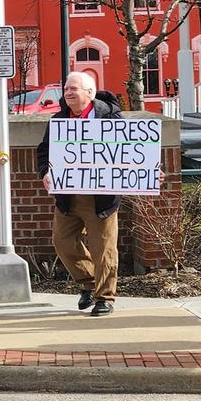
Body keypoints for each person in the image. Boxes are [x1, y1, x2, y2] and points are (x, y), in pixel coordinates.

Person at [36, 71, 122, 316]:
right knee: (62, 241)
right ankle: (88, 282)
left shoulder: (111, 118)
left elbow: (130, 150)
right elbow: (44, 151)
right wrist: (45, 172)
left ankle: (105, 297)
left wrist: (147, 172)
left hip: (101, 197)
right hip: (68, 196)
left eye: (73, 88)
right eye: (66, 89)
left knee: (103, 248)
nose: (68, 93)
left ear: (90, 93)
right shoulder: (58, 120)